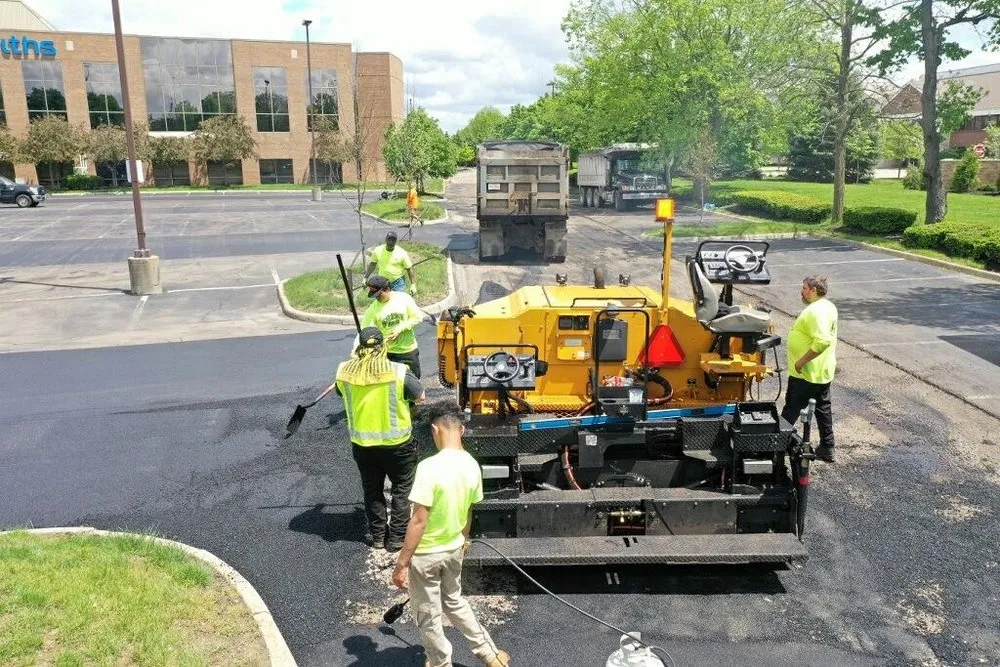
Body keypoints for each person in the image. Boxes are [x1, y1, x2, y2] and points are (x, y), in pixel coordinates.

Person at [392, 403, 510, 667]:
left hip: (425, 556)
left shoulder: (428, 467)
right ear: (462, 430)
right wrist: (463, 541)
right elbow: (468, 512)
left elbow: (419, 520)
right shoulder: (472, 465)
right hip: (454, 547)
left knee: (428, 614)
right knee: (455, 601)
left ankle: (440, 662)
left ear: (435, 429)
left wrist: (401, 563)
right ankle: (490, 655)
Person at [335, 326, 424, 551]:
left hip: (363, 446)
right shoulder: (398, 371)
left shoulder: (344, 371)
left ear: (359, 348)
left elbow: (339, 391)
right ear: (384, 346)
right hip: (398, 445)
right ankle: (396, 540)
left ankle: (377, 537)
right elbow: (420, 394)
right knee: (401, 491)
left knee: (372, 490)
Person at [781, 275, 838, 463]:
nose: (802, 290)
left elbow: (822, 341)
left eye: (804, 287)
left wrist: (801, 362)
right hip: (822, 371)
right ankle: (827, 447)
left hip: (806, 372)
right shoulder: (827, 306)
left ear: (814, 290)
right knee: (823, 408)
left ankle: (777, 449)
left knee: (791, 409)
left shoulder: (816, 311)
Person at [361, 275, 424, 378]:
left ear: (387, 289)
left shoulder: (404, 299)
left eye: (379, 294)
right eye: (374, 295)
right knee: (393, 389)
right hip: (387, 355)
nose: (377, 298)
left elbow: (417, 317)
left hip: (408, 351)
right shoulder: (372, 310)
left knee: (414, 385)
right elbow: (365, 331)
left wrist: (400, 329)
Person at [365, 231, 417, 295]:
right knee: (384, 302)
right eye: (389, 240)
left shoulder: (402, 253)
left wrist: (413, 285)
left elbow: (409, 268)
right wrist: (365, 278)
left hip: (398, 282)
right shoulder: (378, 250)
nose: (391, 242)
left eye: (393, 240)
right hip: (383, 282)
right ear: (386, 239)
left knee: (398, 301)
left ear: (395, 242)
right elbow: (373, 264)